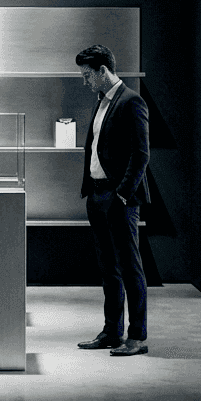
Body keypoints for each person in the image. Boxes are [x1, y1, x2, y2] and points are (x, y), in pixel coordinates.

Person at [74, 45, 151, 356]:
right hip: (96, 194)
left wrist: (122, 193)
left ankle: (137, 337)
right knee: (109, 268)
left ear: (103, 71)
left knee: (130, 268)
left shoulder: (132, 101)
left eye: (87, 75)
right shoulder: (102, 103)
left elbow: (141, 153)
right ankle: (111, 332)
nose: (84, 81)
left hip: (118, 197)